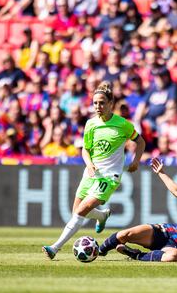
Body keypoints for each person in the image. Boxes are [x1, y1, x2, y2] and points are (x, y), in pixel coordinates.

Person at [42, 81, 146, 260]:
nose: (98, 106)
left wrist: (136, 161)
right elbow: (85, 149)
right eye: (95, 103)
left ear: (110, 103)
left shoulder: (123, 124)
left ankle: (55, 247)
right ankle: (102, 215)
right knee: (76, 210)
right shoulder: (90, 124)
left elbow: (141, 141)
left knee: (81, 210)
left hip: (109, 177)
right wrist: (89, 164)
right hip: (91, 173)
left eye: (102, 102)